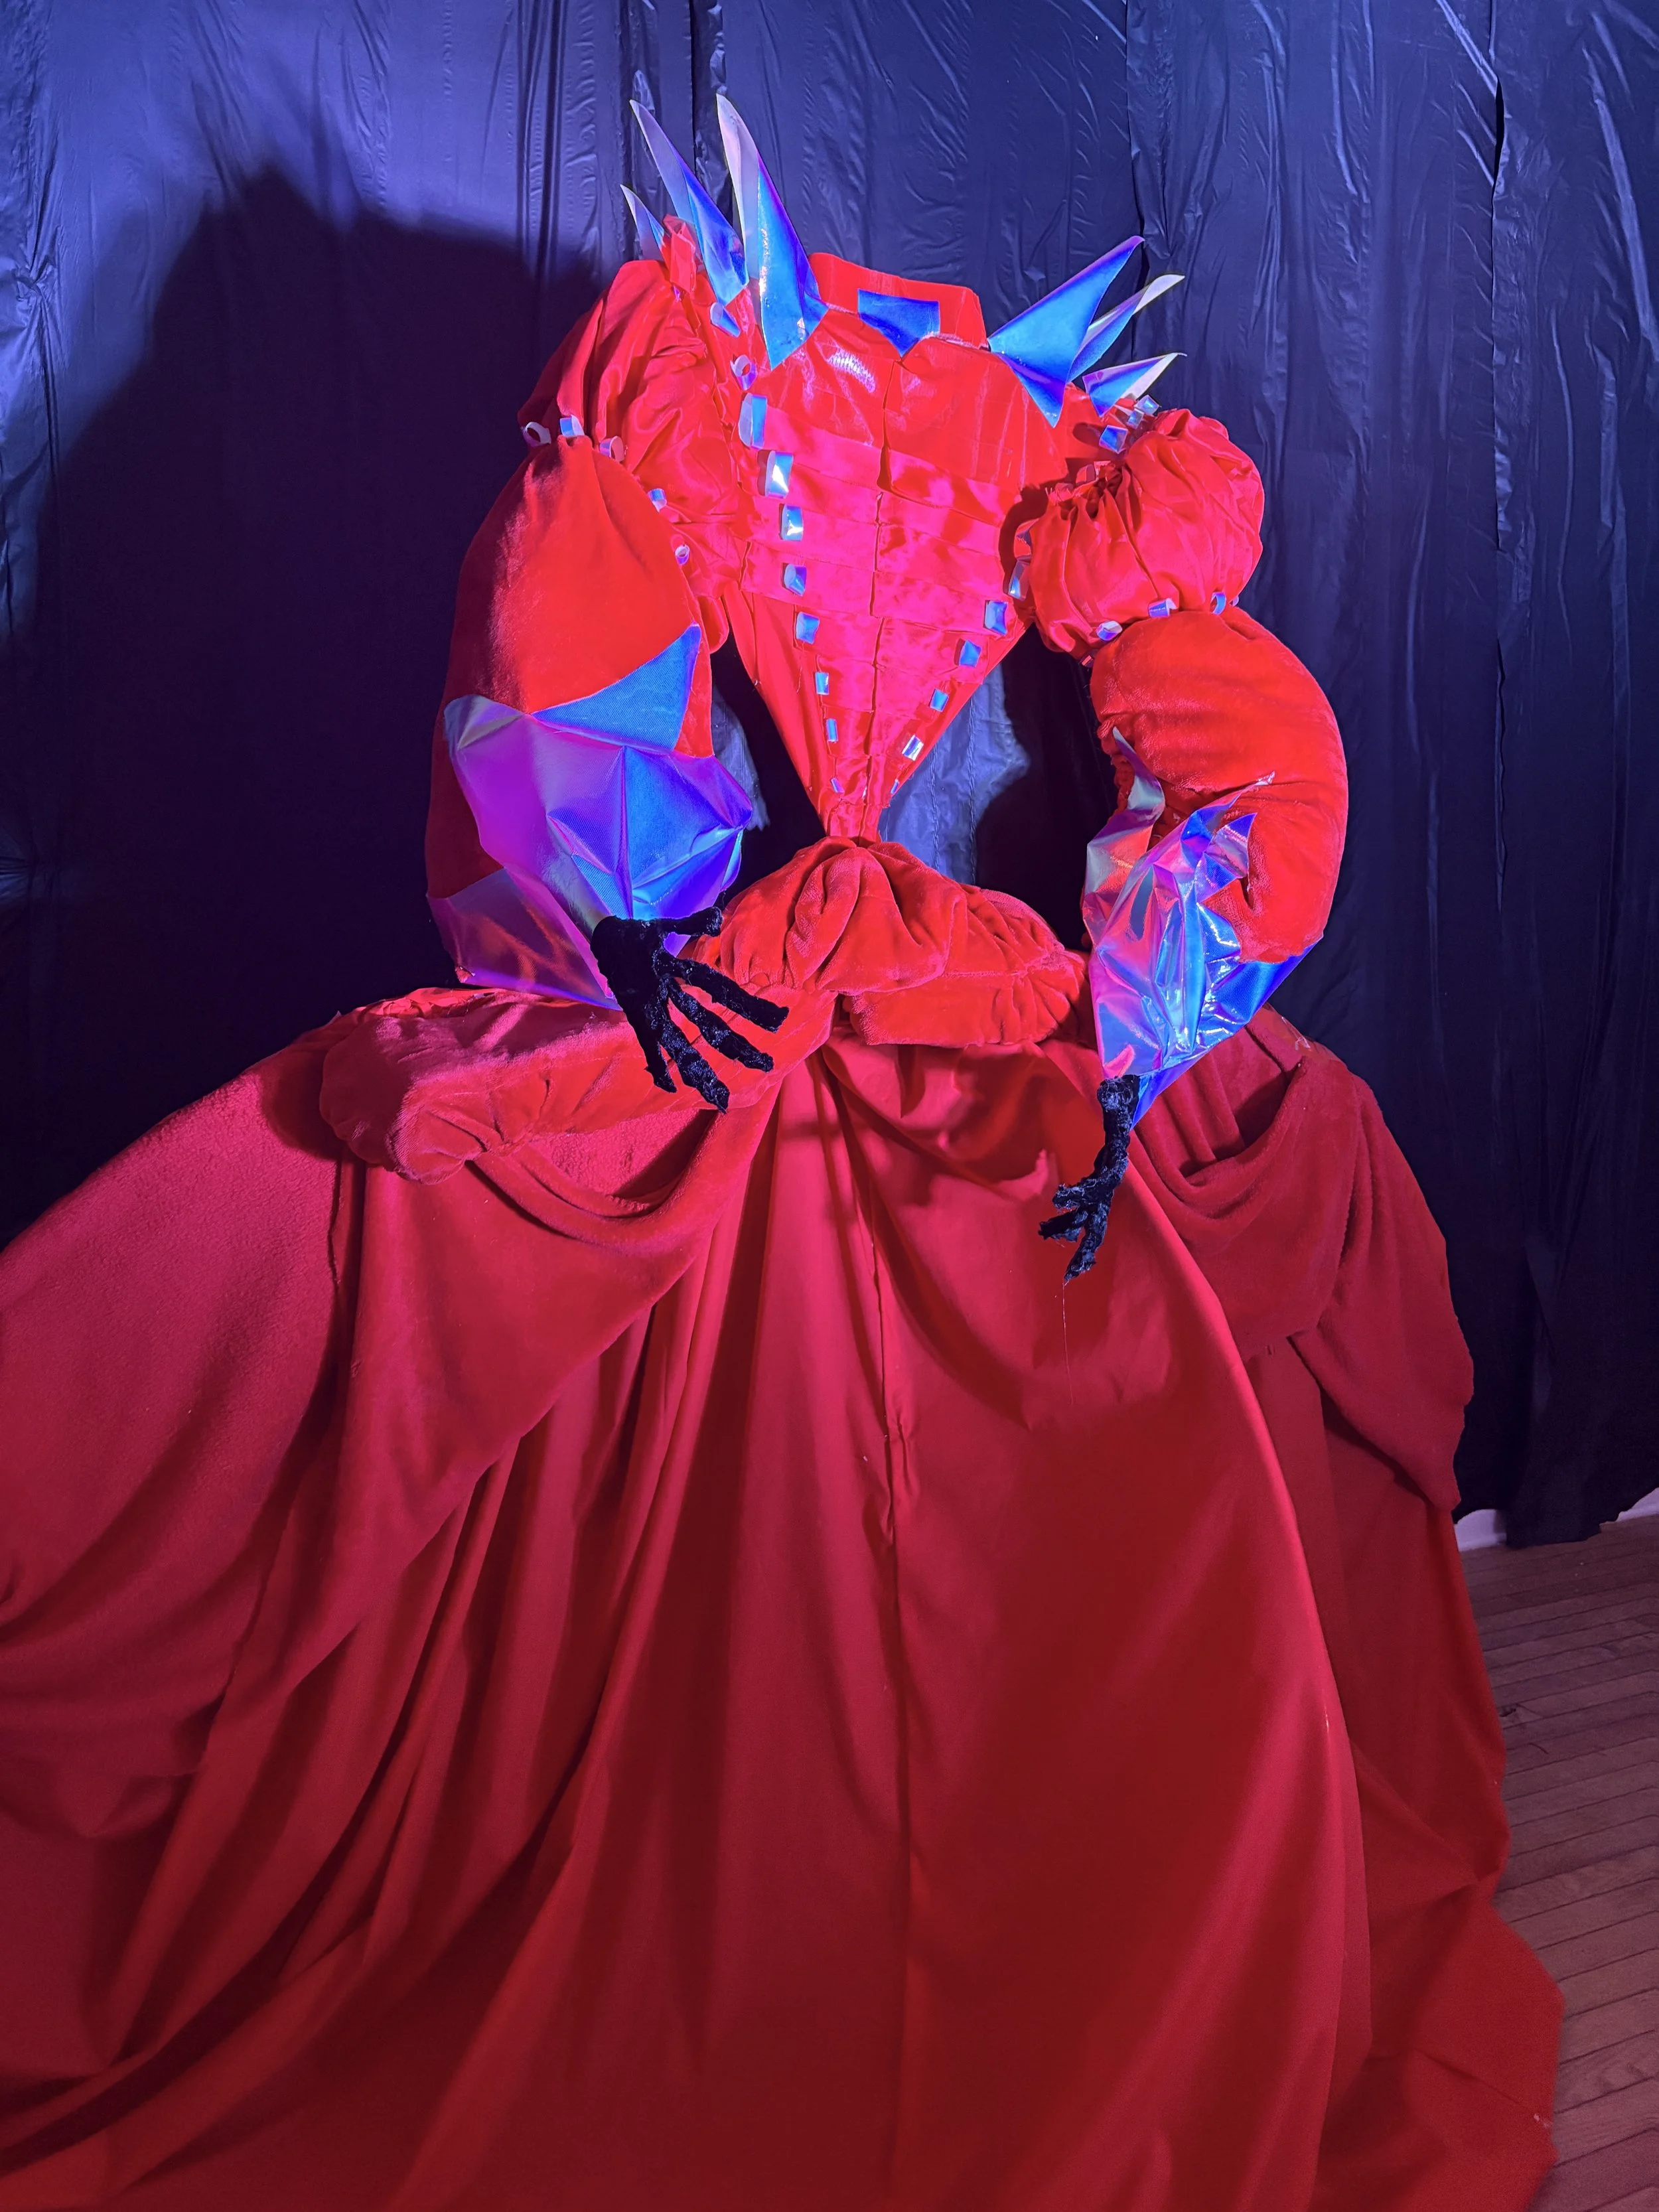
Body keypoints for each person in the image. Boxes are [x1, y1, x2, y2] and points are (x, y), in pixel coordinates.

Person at [0, 100, 1559, 2212]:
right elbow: (1234, 780)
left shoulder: (858, 442)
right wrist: (1080, 996)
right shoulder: (920, 449)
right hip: (832, 1033)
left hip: (912, 1032)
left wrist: (1117, 1016)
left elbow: (573, 702)